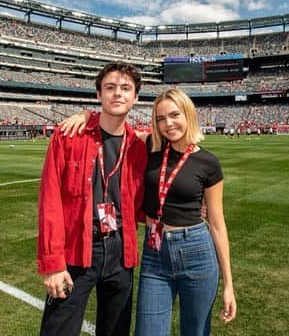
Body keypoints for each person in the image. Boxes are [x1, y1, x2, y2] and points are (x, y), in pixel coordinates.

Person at [61, 87, 237, 335]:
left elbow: (218, 225)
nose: (168, 124)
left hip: (196, 250)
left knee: (196, 331)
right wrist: (87, 115)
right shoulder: (149, 146)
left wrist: (229, 284)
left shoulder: (209, 163)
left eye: (175, 115)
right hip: (155, 254)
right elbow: (113, 126)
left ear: (188, 114)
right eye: (161, 118)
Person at [36, 62, 148, 336]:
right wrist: (53, 264)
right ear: (98, 95)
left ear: (136, 98)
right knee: (58, 330)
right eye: (110, 88)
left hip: (121, 251)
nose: (117, 94)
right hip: (77, 250)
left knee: (115, 331)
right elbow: (50, 200)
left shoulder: (138, 146)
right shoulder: (68, 135)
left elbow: (144, 202)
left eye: (125, 88)